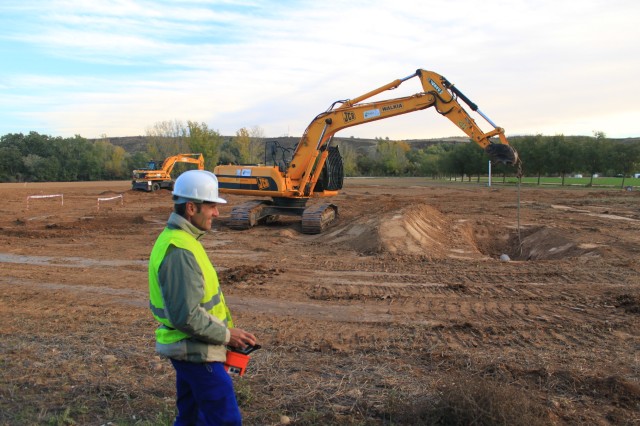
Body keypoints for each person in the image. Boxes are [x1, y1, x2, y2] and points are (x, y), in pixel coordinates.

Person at [148, 169, 257, 425]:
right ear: (191, 208)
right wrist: (229, 335)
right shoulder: (180, 250)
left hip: (192, 347)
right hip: (195, 350)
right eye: (211, 206)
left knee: (191, 417)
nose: (217, 213)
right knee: (225, 420)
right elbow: (186, 316)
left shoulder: (184, 240)